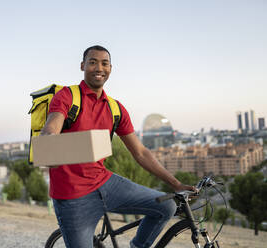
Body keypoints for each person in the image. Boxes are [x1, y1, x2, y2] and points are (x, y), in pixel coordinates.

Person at [40, 45, 195, 248]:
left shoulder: (116, 108)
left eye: (104, 63)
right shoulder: (68, 97)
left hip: (105, 184)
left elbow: (140, 153)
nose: (99, 68)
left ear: (111, 68)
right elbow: (52, 126)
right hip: (72, 197)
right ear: (82, 66)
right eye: (93, 62)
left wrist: (175, 183)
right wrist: (49, 142)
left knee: (167, 206)